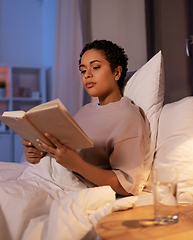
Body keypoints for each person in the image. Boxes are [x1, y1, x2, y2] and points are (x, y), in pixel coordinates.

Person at [22, 40, 150, 196]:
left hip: (71, 187)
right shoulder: (84, 111)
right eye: (83, 70)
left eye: (95, 67)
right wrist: (41, 152)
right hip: (48, 176)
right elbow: (67, 152)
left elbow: (127, 185)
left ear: (116, 73)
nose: (87, 75)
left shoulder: (128, 116)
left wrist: (78, 165)